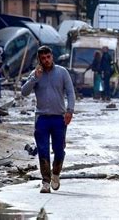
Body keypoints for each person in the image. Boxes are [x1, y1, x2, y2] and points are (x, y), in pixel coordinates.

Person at [21, 46, 75, 193]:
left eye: (48, 57)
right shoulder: (35, 74)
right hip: (42, 119)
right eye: (43, 58)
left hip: (59, 118)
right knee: (43, 150)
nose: (46, 60)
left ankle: (55, 174)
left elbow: (70, 92)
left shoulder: (62, 72)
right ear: (39, 60)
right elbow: (24, 92)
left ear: (52, 57)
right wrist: (34, 78)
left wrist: (70, 110)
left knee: (59, 150)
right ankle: (45, 181)